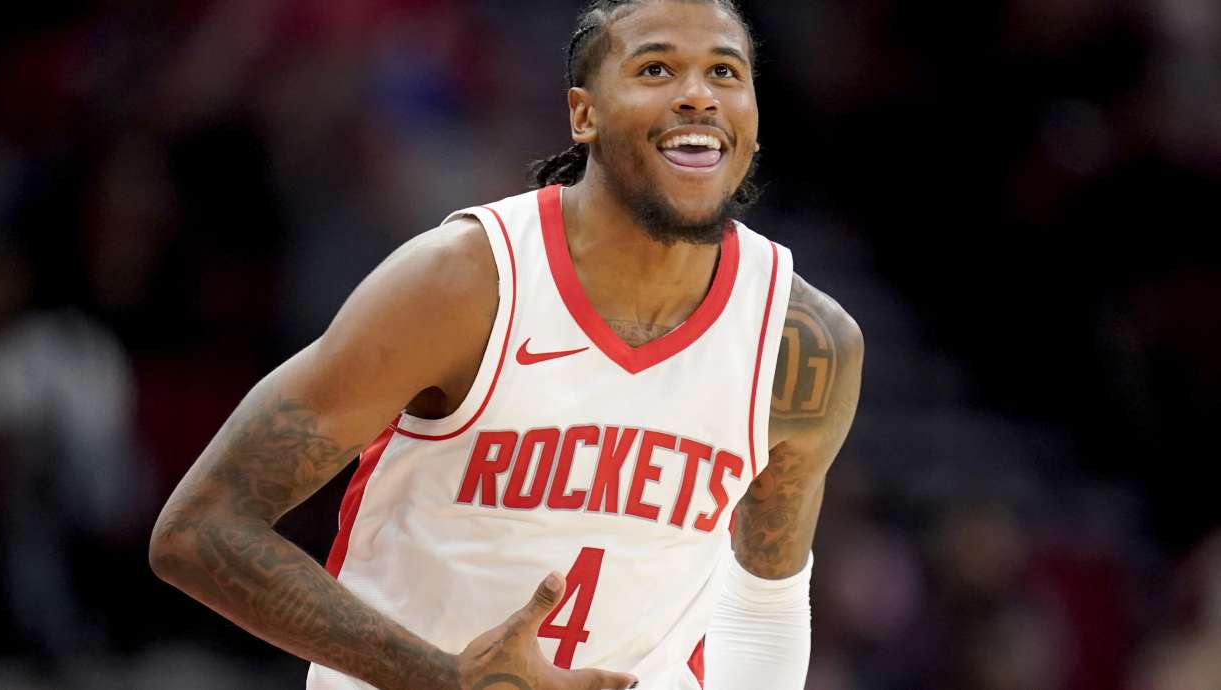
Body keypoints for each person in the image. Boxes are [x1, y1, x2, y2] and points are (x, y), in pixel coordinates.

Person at [148, 1, 864, 689]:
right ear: (583, 114)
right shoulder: (463, 283)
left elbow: (765, 601)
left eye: (725, 73)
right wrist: (438, 679)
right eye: (655, 70)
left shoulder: (802, 342)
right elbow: (201, 528)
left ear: (754, 119)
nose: (698, 96)